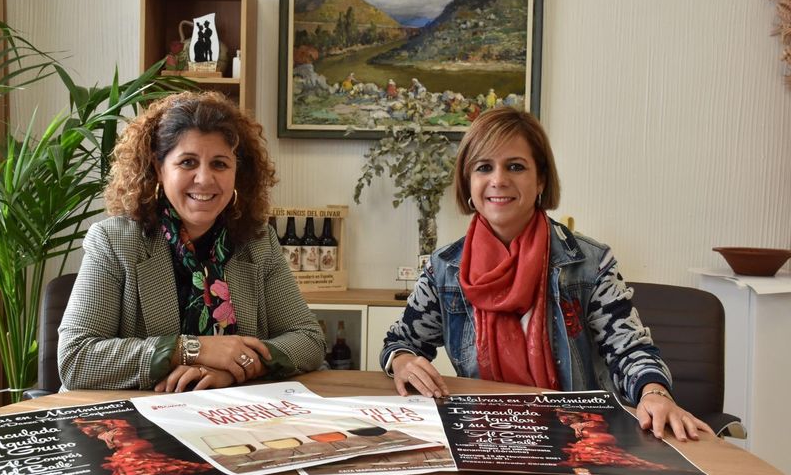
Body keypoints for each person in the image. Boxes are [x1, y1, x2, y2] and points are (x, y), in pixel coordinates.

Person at [380, 107, 711, 442]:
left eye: (515, 166)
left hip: (578, 437)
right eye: (484, 167)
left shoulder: (588, 263)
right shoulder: (444, 269)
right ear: (469, 182)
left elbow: (629, 349)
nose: (498, 180)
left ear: (540, 179)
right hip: (485, 436)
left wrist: (655, 393)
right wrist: (404, 359)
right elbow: (400, 341)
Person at [58, 91, 325, 393]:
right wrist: (194, 349)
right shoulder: (114, 241)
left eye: (220, 164)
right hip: (137, 418)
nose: (205, 179)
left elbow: (308, 339)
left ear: (237, 173)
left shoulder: (258, 243)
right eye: (187, 162)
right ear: (159, 169)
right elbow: (76, 358)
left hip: (228, 417)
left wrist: (237, 369)